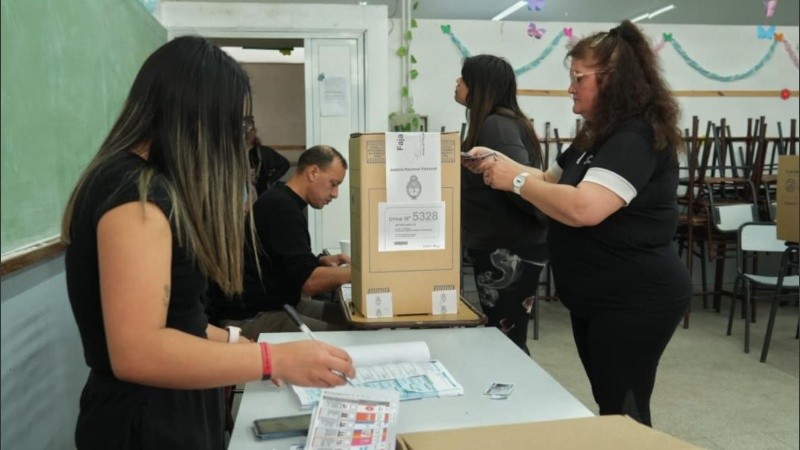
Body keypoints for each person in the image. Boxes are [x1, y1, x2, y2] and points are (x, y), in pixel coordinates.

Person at [61, 36, 355, 450]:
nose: (238, 140)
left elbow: (178, 318)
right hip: (144, 426)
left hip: (173, 413)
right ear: (198, 116)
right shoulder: (136, 194)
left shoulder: (150, 186)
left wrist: (238, 345)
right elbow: (139, 351)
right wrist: (271, 359)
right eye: (235, 125)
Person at [465, 21, 691, 426]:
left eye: (579, 78)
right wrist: (499, 163)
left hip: (634, 299)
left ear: (613, 80)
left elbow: (585, 208)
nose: (570, 88)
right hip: (598, 298)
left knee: (623, 408)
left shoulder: (635, 137)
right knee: (610, 400)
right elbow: (549, 181)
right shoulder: (596, 135)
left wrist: (513, 180)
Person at [455, 54, 548, 354]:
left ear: (479, 86)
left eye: (463, 79)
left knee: (507, 339)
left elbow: (521, 184)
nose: (457, 83)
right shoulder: (494, 122)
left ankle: (519, 384)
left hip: (510, 249)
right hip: (501, 245)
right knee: (503, 334)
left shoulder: (497, 125)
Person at [224, 145, 351, 341]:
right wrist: (360, 274)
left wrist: (319, 261)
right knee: (349, 336)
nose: (335, 194)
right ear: (313, 172)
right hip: (252, 315)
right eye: (333, 184)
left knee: (347, 318)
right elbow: (309, 283)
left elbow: (287, 261)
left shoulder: (283, 199)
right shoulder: (282, 208)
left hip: (276, 302)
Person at [244, 115, 290, 196]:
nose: (249, 134)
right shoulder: (234, 154)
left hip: (261, 194)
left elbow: (284, 164)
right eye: (248, 132)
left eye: (252, 131)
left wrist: (270, 181)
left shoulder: (264, 152)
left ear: (254, 132)